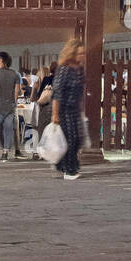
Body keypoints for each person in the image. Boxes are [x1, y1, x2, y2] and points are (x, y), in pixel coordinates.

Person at [51, 38, 85, 180]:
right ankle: (69, 170)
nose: (82, 56)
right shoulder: (64, 69)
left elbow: (80, 91)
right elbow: (57, 92)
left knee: (77, 138)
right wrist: (55, 114)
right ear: (72, 53)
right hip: (64, 108)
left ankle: (64, 164)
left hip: (74, 108)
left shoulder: (80, 69)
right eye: (79, 53)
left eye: (83, 53)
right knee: (70, 138)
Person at [0, 51, 20, 162]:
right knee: (8, 129)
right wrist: (14, 104)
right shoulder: (15, 74)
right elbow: (17, 91)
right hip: (10, 107)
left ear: (1, 60)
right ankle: (5, 152)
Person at [34, 61, 57, 140]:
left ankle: (44, 149)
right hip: (58, 109)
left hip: (46, 108)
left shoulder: (46, 79)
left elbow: (40, 95)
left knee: (43, 131)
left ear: (51, 69)